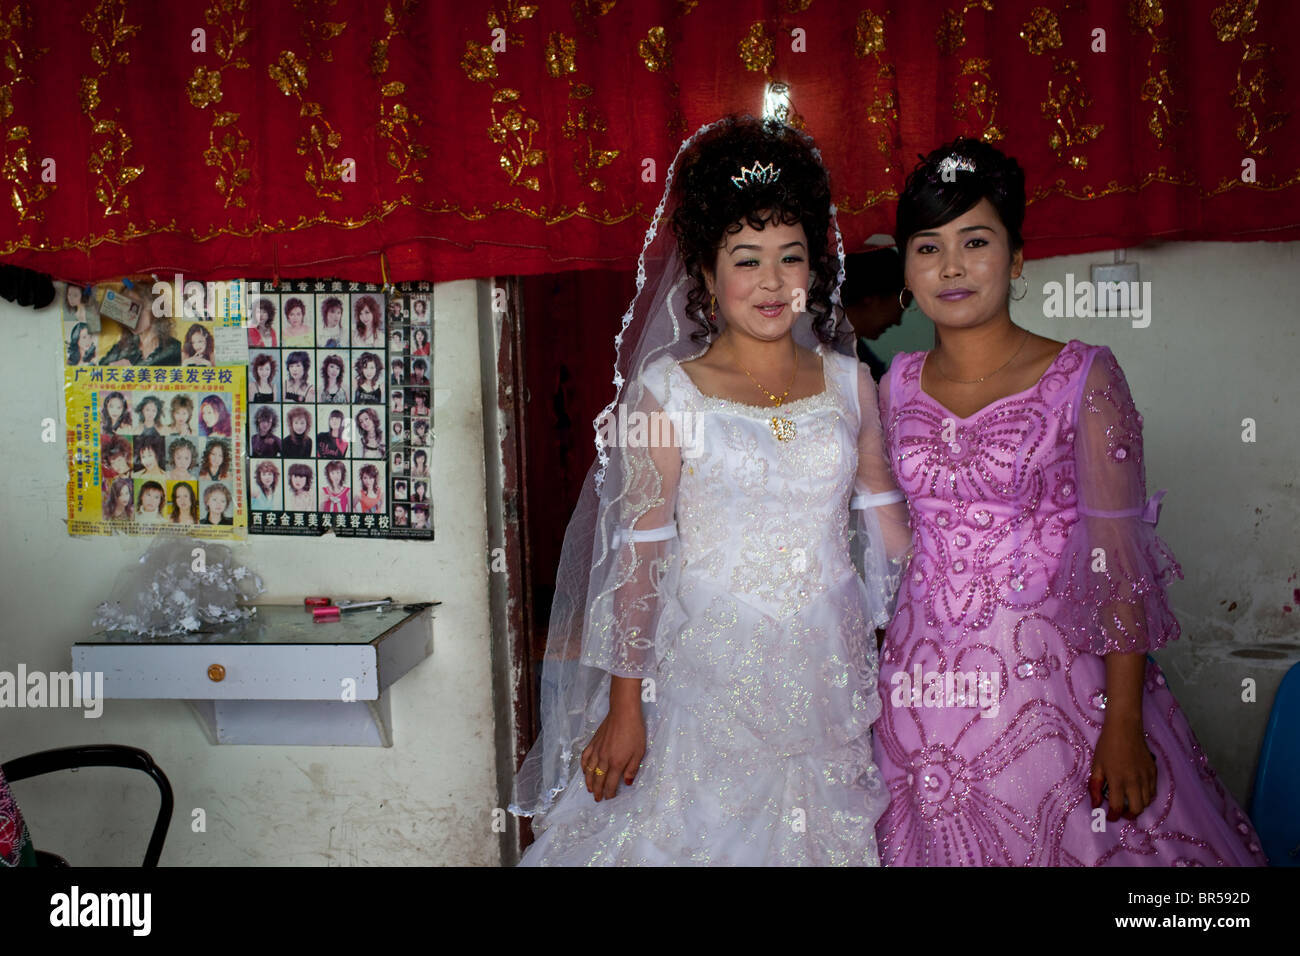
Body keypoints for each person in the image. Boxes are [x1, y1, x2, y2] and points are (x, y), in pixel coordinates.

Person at [511, 115, 910, 866]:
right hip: (701, 680)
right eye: (746, 258)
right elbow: (641, 556)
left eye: (790, 259)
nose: (770, 281)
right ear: (703, 272)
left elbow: (888, 528)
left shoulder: (850, 383)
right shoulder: (668, 394)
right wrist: (627, 703)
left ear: (813, 273)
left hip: (827, 671)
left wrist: (927, 635)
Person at [872, 137, 1266, 867]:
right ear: (906, 267)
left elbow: (1115, 557)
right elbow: (887, 540)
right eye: (928, 248)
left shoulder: (1084, 377)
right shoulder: (894, 386)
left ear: (1018, 259)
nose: (951, 266)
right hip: (921, 684)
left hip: (1056, 687)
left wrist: (1122, 722)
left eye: (976, 241)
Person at [840, 247, 905, 381]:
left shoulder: (865, 359)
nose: (898, 321)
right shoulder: (818, 352)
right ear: (871, 296)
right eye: (903, 304)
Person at [99, 310, 181, 366]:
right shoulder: (121, 347)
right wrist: (110, 368)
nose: (132, 314)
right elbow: (95, 375)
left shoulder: (176, 349)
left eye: (139, 306)